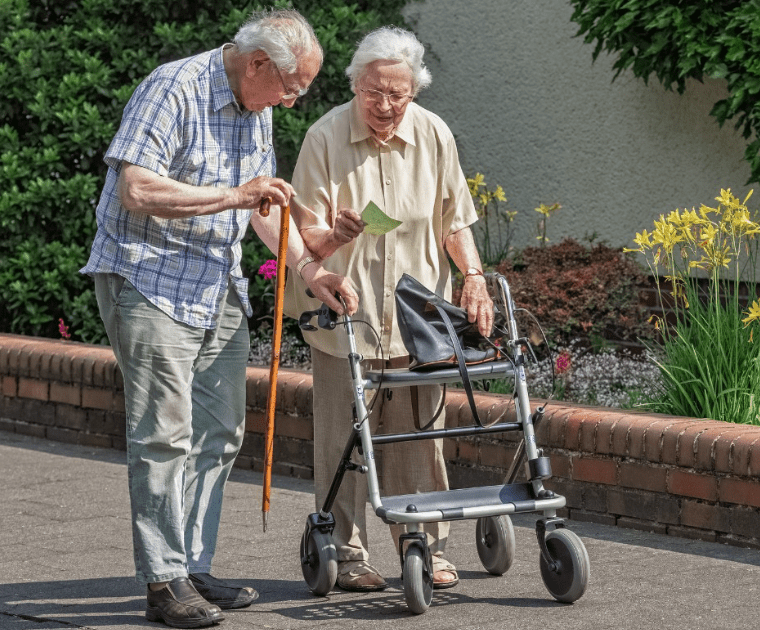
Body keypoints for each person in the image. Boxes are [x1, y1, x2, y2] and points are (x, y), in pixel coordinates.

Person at [80, 9, 357, 629]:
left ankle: (193, 565)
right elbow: (137, 190)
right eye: (292, 88)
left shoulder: (253, 109)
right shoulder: (173, 87)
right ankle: (163, 580)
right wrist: (233, 195)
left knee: (221, 431)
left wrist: (316, 264)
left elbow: (263, 213)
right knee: (162, 434)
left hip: (216, 287)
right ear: (258, 64)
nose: (291, 102)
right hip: (149, 279)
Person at [285, 26, 493, 592]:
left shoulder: (434, 135)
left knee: (422, 437)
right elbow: (300, 232)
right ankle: (348, 553)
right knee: (343, 438)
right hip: (345, 318)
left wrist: (473, 276)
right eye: (373, 92)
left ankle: (423, 540)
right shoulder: (325, 137)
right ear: (355, 85)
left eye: (396, 95)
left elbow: (456, 221)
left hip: (418, 321)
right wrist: (333, 234)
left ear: (414, 93)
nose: (384, 105)